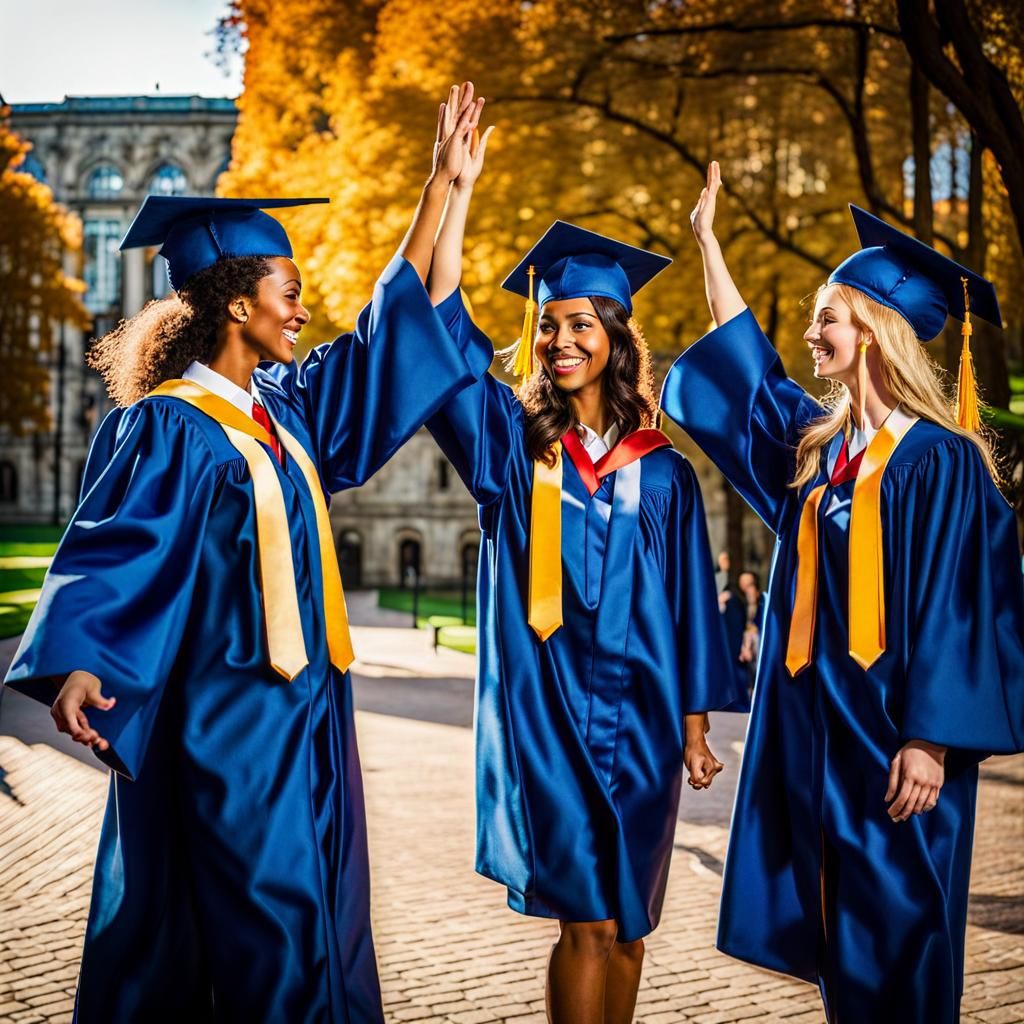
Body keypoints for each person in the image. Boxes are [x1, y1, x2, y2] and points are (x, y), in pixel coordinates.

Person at [3, 84, 492, 1023]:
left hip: (311, 714)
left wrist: (447, 190)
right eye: (291, 292)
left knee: (317, 923)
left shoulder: (289, 417)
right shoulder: (166, 429)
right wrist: (81, 663)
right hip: (224, 724)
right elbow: (116, 549)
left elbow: (402, 331)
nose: (305, 310)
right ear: (236, 301)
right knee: (260, 925)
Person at [661, 161, 1024, 1023]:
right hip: (814, 731)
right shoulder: (816, 450)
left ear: (874, 329)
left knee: (904, 935)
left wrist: (933, 739)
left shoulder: (944, 461)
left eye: (828, 316)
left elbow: (964, 608)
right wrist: (709, 243)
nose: (812, 329)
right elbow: (746, 371)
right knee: (835, 938)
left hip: (898, 740)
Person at [422, 134, 744, 1024]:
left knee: (633, 927)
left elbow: (687, 606)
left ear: (614, 337)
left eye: (580, 324)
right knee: (588, 924)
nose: (560, 340)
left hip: (644, 725)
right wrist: (454, 193)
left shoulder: (665, 471)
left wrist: (694, 728)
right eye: (549, 325)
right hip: (551, 719)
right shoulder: (512, 445)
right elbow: (442, 326)